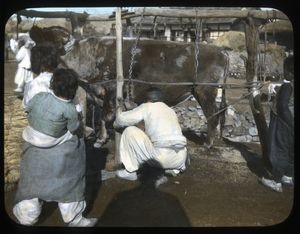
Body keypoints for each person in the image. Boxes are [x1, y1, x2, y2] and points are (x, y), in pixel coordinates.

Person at [13, 68, 98, 227]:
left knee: (29, 193)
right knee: (76, 145)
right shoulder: (69, 109)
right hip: (57, 142)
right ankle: (73, 217)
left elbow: (28, 109)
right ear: (73, 90)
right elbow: (74, 128)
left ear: (52, 86)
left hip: (33, 139)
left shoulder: (40, 96)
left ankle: (27, 216)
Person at [113, 87, 188, 181]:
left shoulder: (147, 106)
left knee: (130, 131)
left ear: (147, 99)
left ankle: (130, 171)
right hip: (180, 159)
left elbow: (121, 120)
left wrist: (118, 109)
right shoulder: (170, 110)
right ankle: (172, 169)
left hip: (161, 159)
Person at [259, 56, 294, 192]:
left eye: (284, 70)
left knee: (278, 150)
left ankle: (276, 181)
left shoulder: (287, 86)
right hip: (291, 124)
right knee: (291, 151)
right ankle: (288, 176)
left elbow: (283, 107)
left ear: (290, 72)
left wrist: (289, 124)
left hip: (282, 124)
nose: (283, 73)